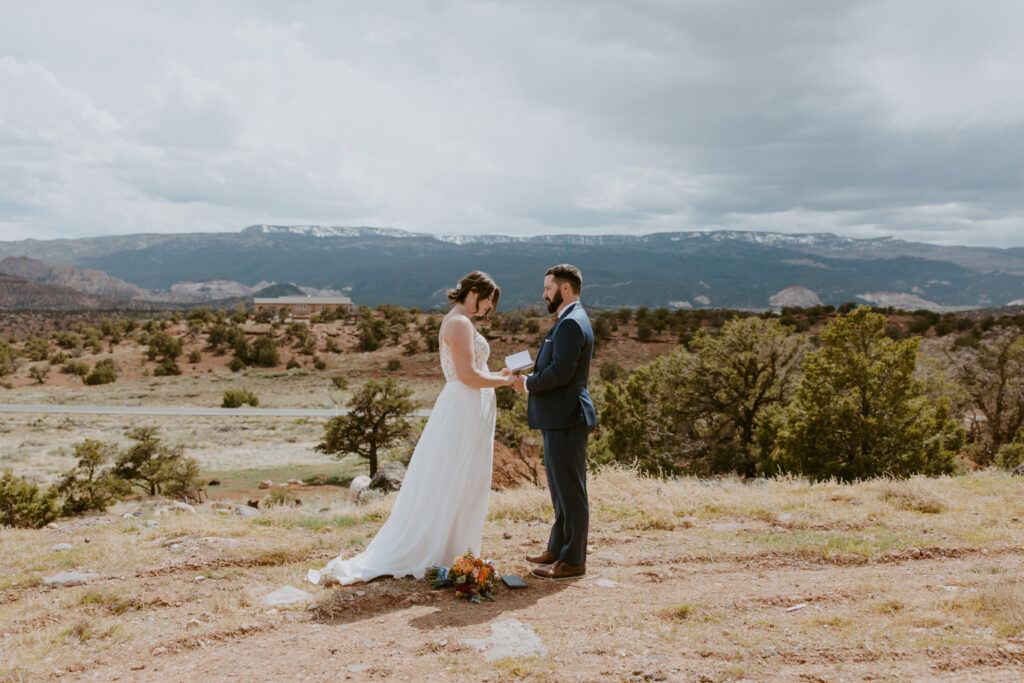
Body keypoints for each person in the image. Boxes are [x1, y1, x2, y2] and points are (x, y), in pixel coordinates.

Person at [306, 271, 515, 586]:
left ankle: (458, 549)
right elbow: (468, 376)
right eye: (487, 302)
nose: (487, 310)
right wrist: (507, 380)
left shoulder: (461, 321)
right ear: (474, 292)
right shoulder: (459, 323)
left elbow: (475, 371)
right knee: (454, 475)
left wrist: (497, 374)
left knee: (465, 477)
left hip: (472, 406)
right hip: (463, 407)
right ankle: (444, 550)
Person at [510, 264, 597, 579]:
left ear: (565, 289)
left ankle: (573, 561)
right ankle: (557, 548)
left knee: (571, 490)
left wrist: (528, 384)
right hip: (558, 416)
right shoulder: (568, 320)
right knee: (559, 489)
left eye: (547, 288)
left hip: (567, 416)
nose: (543, 293)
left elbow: (562, 373)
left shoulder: (572, 323)